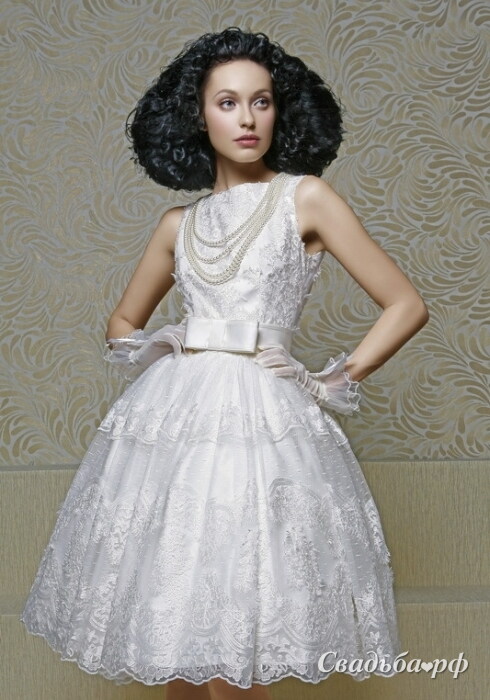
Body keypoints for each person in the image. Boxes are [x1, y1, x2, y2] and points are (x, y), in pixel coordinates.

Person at [20, 27, 429, 700]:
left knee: (230, 631)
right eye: (228, 102)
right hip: (177, 426)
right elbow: (121, 325)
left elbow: (406, 305)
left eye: (261, 102)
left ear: (281, 111)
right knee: (178, 638)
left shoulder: (306, 198)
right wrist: (161, 342)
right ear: (197, 116)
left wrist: (328, 379)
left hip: (261, 424)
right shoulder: (178, 225)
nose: (247, 119)